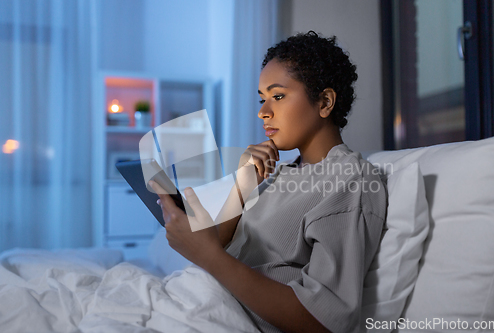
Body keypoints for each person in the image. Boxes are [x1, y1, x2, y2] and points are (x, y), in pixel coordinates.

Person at [149, 31, 387, 333]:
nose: (263, 112)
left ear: (325, 101)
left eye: (277, 96)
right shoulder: (278, 170)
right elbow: (222, 244)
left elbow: (326, 320)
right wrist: (242, 184)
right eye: (262, 99)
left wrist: (207, 256)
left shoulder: (351, 181)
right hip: (199, 299)